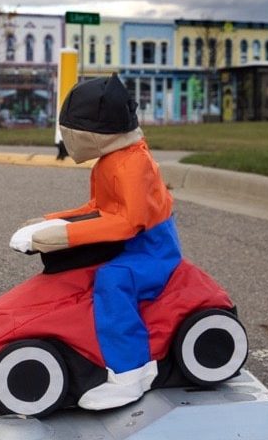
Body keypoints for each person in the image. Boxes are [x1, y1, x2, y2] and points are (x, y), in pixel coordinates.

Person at [9, 74, 181, 410]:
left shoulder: (133, 164)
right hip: (127, 242)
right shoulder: (111, 160)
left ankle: (131, 373)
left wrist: (65, 235)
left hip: (150, 250)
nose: (68, 139)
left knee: (113, 280)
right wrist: (52, 220)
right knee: (76, 273)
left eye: (72, 132)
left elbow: (127, 223)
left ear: (96, 133)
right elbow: (97, 210)